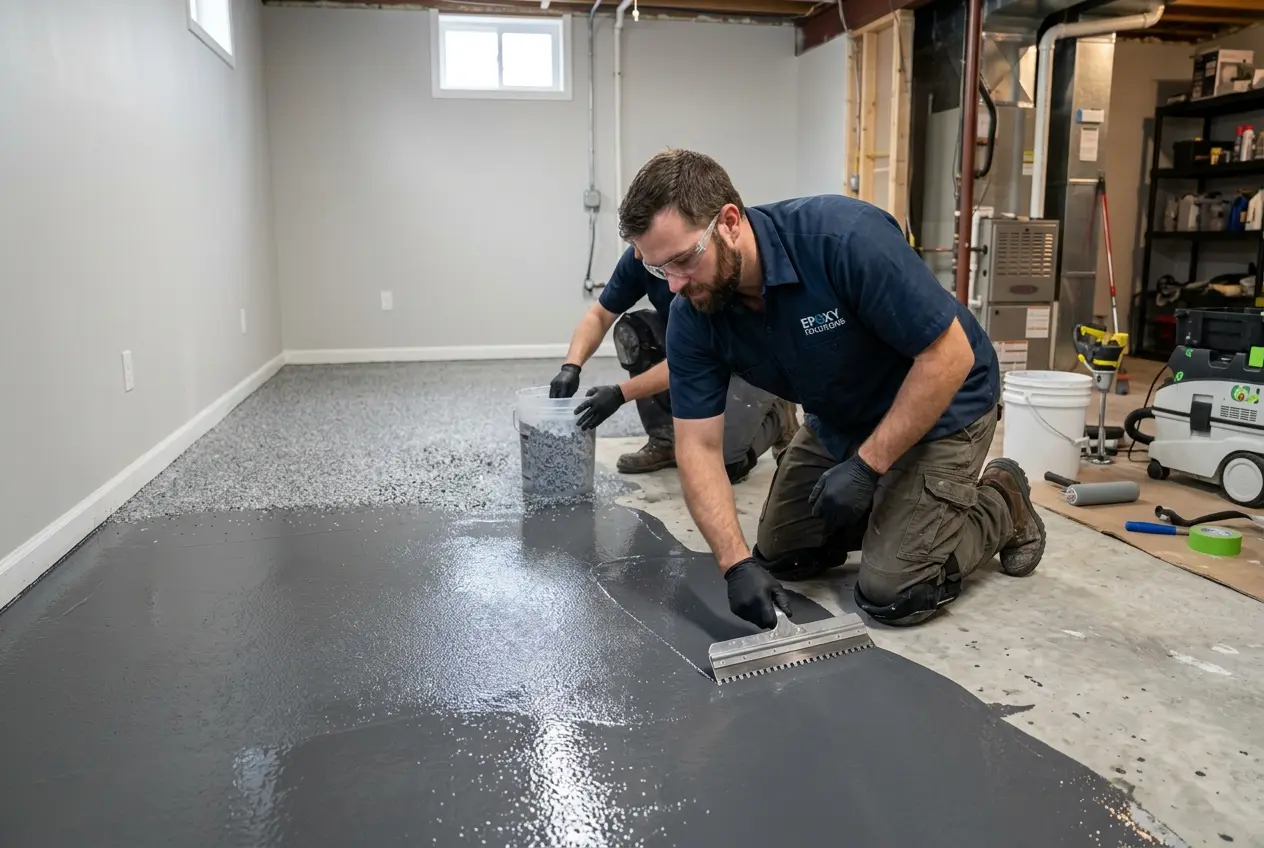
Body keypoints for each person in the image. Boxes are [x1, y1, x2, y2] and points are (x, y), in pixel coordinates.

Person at [616, 149, 1047, 629]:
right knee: (782, 558)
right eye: (659, 270)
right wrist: (735, 565)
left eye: (682, 260)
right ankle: (902, 505)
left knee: (893, 593)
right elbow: (697, 444)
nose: (673, 285)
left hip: (944, 404)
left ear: (730, 222)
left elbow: (949, 357)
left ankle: (1000, 503)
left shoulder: (844, 239)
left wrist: (867, 467)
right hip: (842, 415)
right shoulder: (694, 312)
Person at [548, 244, 797, 483]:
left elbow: (691, 360)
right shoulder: (639, 257)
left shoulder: (703, 264)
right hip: (696, 348)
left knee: (718, 467)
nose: (635, 252)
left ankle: (778, 417)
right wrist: (571, 366)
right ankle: (665, 439)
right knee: (635, 330)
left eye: (639, 242)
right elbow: (599, 314)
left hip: (745, 359)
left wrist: (619, 394)